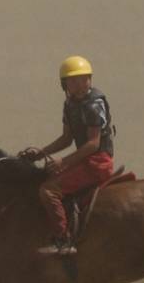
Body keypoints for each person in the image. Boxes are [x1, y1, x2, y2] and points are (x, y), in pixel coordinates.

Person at [19, 55, 116, 255]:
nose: (79, 84)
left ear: (90, 79)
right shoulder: (70, 104)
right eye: (73, 80)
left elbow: (93, 144)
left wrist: (63, 161)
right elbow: (66, 138)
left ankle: (63, 239)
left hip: (98, 161)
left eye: (83, 79)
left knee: (49, 191)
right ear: (65, 84)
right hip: (85, 159)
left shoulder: (93, 104)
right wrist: (41, 153)